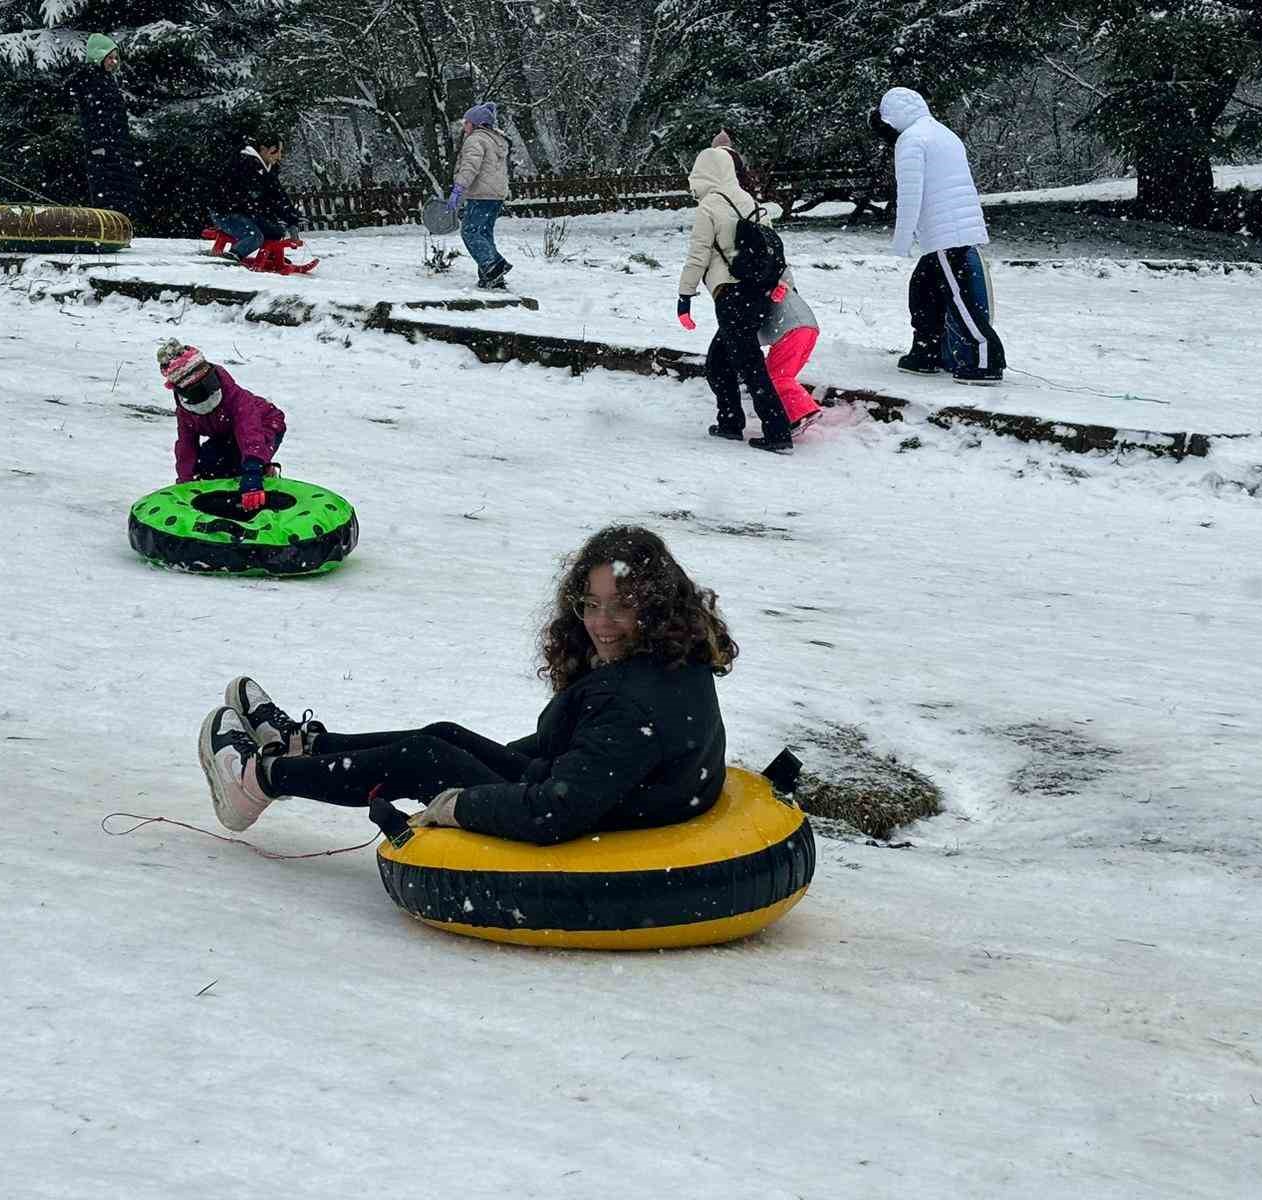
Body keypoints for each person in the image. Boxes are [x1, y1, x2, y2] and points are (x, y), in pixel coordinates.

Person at [197, 525, 736, 845]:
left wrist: (462, 806)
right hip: (615, 799)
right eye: (591, 605)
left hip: (599, 825)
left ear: (657, 605)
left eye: (621, 607)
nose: (601, 623)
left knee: (422, 758)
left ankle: (260, 780)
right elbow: (574, 756)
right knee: (442, 736)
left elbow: (554, 812)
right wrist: (483, 763)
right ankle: (307, 748)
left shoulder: (631, 705)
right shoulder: (672, 656)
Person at [871, 86, 1006, 385]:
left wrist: (902, 240)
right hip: (952, 231)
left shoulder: (911, 140)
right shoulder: (941, 133)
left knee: (960, 299)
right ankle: (927, 352)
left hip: (945, 233)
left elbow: (910, 196)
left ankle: (984, 360)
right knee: (923, 290)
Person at [676, 146, 794, 454]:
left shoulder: (709, 207)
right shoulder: (752, 202)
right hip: (758, 294)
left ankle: (778, 432)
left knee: (750, 365)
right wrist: (784, 284)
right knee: (718, 362)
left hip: (731, 296)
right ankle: (729, 423)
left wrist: (684, 297)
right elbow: (776, 251)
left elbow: (698, 255)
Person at [158, 339, 286, 512]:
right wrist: (185, 481)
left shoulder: (236, 399)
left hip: (265, 424)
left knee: (240, 463)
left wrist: (252, 470)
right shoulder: (185, 413)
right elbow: (186, 447)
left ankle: (264, 472)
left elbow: (250, 433)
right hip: (227, 434)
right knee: (206, 463)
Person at [69, 33, 138, 216]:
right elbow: (92, 117)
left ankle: (117, 226)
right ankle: (107, 228)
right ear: (98, 56)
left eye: (116, 58)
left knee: (121, 188)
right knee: (107, 188)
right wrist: (98, 145)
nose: (113, 62)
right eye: (110, 57)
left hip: (116, 144)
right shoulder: (90, 79)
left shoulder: (107, 80)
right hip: (103, 145)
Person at [208, 131, 302, 265]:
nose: (279, 156)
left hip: (246, 211)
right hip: (226, 212)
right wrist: (267, 211)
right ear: (263, 149)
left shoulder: (267, 168)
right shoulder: (244, 163)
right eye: (276, 151)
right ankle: (231, 259)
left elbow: (278, 195)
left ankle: (269, 255)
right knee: (253, 236)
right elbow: (256, 199)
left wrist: (291, 219)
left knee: (275, 231)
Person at [446, 102, 512, 290]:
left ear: (476, 123)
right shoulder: (495, 139)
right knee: (484, 234)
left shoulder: (475, 140)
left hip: (481, 194)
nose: (464, 126)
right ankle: (491, 279)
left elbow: (470, 167)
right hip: (496, 195)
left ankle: (495, 265)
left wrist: (458, 188)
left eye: (466, 122)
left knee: (469, 231)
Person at [759, 280, 823, 434]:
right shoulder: (777, 279)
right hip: (808, 327)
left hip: (791, 329)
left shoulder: (757, 286)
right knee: (783, 376)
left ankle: (804, 412)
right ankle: (791, 414)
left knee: (774, 376)